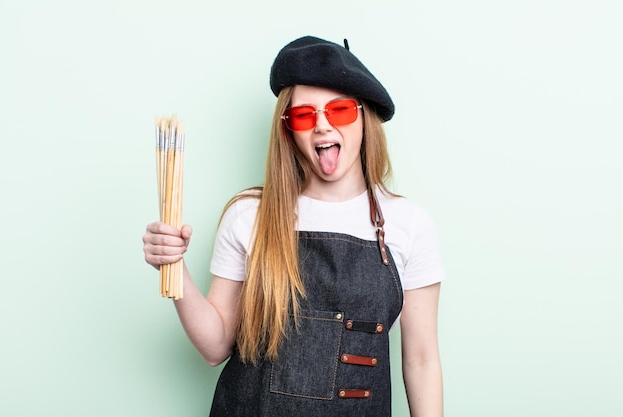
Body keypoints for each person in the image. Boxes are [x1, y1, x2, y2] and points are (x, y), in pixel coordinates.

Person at [143, 35, 445, 417]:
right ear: (289, 130)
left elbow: (421, 361)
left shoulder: (409, 225)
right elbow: (215, 346)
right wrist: (174, 267)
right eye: (305, 115)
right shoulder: (248, 214)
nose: (321, 126)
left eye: (338, 111)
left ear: (364, 119)